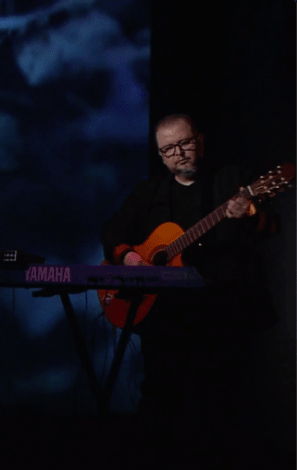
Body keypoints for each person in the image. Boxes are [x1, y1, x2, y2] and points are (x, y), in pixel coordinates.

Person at [101, 114, 277, 469]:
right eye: (168, 149)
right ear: (161, 155)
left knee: (219, 399)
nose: (178, 153)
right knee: (161, 396)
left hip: (221, 313)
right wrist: (130, 255)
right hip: (164, 318)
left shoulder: (233, 181)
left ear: (201, 139)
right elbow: (113, 232)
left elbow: (269, 227)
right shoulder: (147, 193)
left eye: (184, 143)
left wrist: (250, 211)